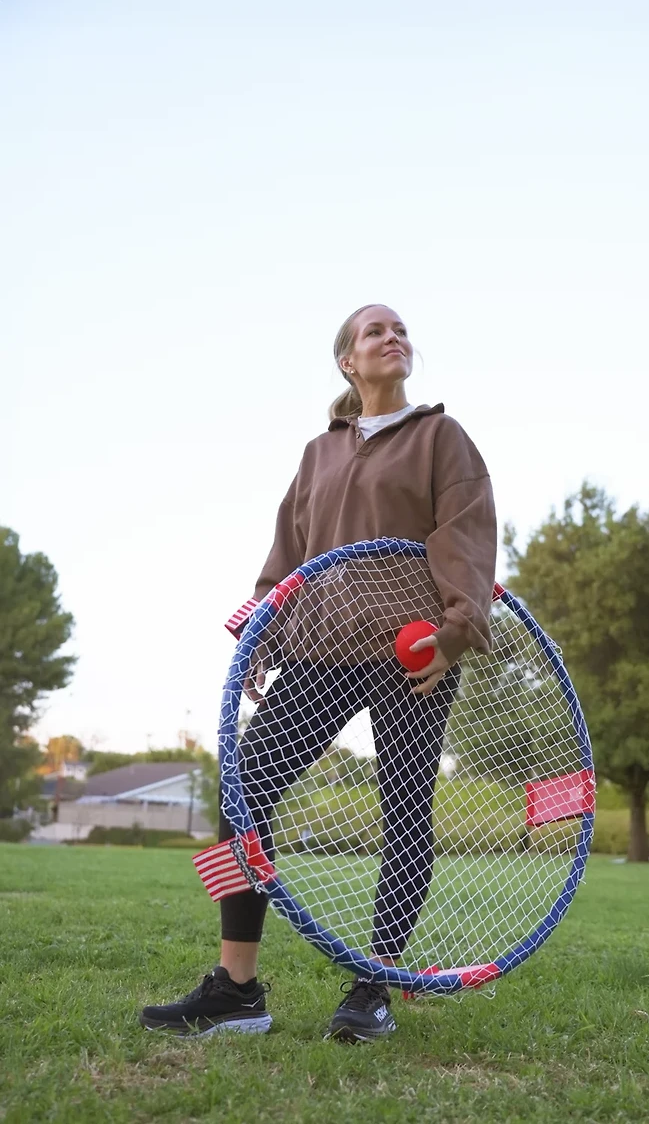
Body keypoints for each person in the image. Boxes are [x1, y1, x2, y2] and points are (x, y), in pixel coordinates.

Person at [139, 304, 497, 1043]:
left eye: (400, 329)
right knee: (242, 788)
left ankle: (373, 986)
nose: (393, 337)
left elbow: (465, 532)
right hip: (319, 647)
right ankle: (237, 989)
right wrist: (259, 635)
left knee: (405, 809)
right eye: (375, 331)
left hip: (411, 652)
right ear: (348, 361)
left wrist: (455, 632)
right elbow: (289, 553)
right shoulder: (318, 453)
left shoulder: (441, 437)